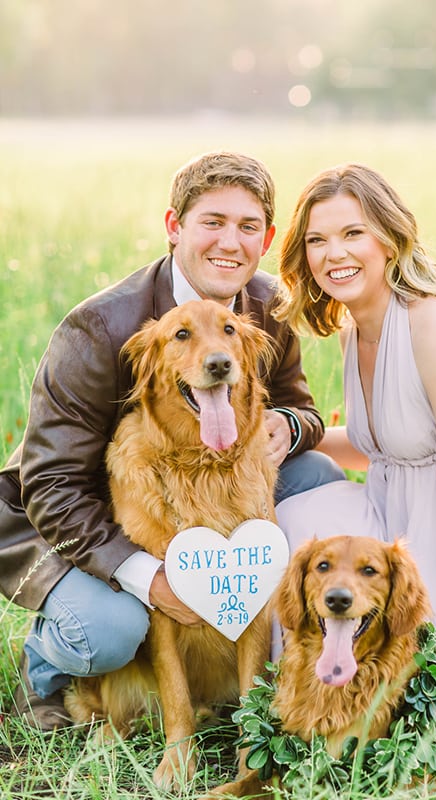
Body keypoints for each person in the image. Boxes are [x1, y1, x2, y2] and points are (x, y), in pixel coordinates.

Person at [0, 151, 345, 729]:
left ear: (266, 239)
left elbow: (301, 408)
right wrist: (149, 578)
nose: (229, 242)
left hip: (218, 482)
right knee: (109, 631)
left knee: (320, 480)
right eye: (212, 222)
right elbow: (51, 483)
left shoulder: (267, 308)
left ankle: (277, 655)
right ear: (174, 227)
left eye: (248, 227)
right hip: (94, 518)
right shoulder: (102, 327)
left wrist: (288, 426)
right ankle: (50, 667)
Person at [273, 162, 436, 691]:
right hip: (396, 509)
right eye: (317, 239)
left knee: (416, 659)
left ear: (389, 240)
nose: (333, 254)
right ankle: (297, 672)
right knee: (296, 510)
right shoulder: (352, 330)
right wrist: (276, 436)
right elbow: (385, 448)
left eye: (352, 234)